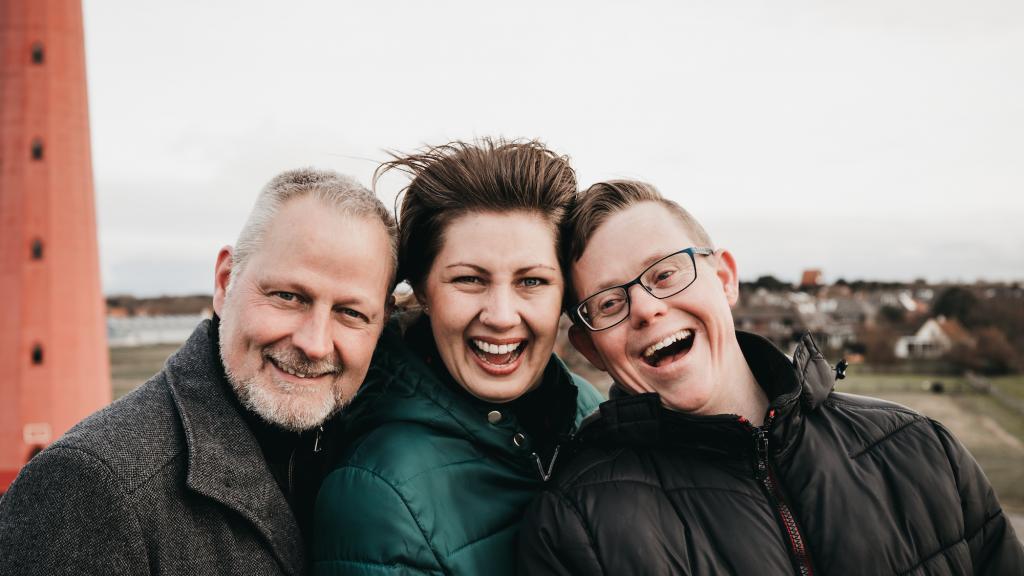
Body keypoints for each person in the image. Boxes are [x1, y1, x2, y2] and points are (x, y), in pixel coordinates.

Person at [518, 180, 1024, 575]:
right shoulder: (573, 527)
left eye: (665, 273)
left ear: (725, 278)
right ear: (590, 348)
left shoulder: (921, 450)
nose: (647, 309)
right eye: (608, 302)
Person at [0, 169, 398, 575]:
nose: (314, 344)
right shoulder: (91, 487)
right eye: (288, 296)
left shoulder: (378, 462)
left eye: (350, 313)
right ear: (226, 283)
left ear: (382, 324)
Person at [312, 139, 604, 576]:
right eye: (469, 279)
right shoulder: (378, 494)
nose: (502, 316)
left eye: (532, 281)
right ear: (423, 291)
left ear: (565, 292)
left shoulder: (591, 410)